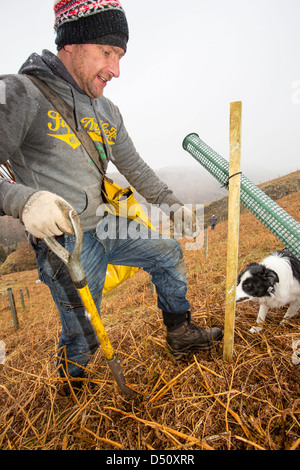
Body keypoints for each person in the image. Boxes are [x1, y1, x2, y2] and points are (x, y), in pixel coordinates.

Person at [0, 1, 223, 384]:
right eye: (107, 52)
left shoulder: (107, 110)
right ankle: (73, 386)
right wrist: (24, 201)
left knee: (168, 253)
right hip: (64, 242)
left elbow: (134, 167)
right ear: (71, 43)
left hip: (106, 224)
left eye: (119, 55)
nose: (116, 69)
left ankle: (180, 333)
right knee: (84, 332)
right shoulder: (19, 92)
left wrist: (172, 206)